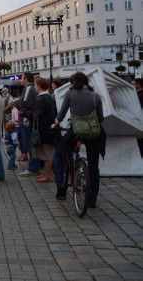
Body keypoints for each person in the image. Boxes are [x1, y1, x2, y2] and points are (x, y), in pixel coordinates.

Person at [52, 72, 105, 206]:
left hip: (76, 132)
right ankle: (92, 200)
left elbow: (61, 114)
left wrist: (56, 123)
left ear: (74, 82)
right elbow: (100, 118)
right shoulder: (95, 96)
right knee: (94, 167)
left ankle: (61, 189)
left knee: (58, 155)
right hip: (94, 134)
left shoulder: (70, 94)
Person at [32, 78, 57, 183]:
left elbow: (38, 115)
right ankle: (46, 173)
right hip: (49, 128)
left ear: (39, 86)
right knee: (47, 152)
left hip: (44, 129)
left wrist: (27, 113)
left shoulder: (41, 98)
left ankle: (47, 175)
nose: (34, 86)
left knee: (47, 154)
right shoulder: (49, 97)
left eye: (35, 84)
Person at [18, 72, 40, 177]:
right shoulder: (33, 88)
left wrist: (18, 104)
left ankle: (33, 168)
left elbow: (24, 103)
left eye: (22, 78)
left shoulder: (28, 88)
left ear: (26, 79)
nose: (21, 80)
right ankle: (34, 166)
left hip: (27, 120)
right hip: (31, 119)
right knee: (32, 144)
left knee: (30, 144)